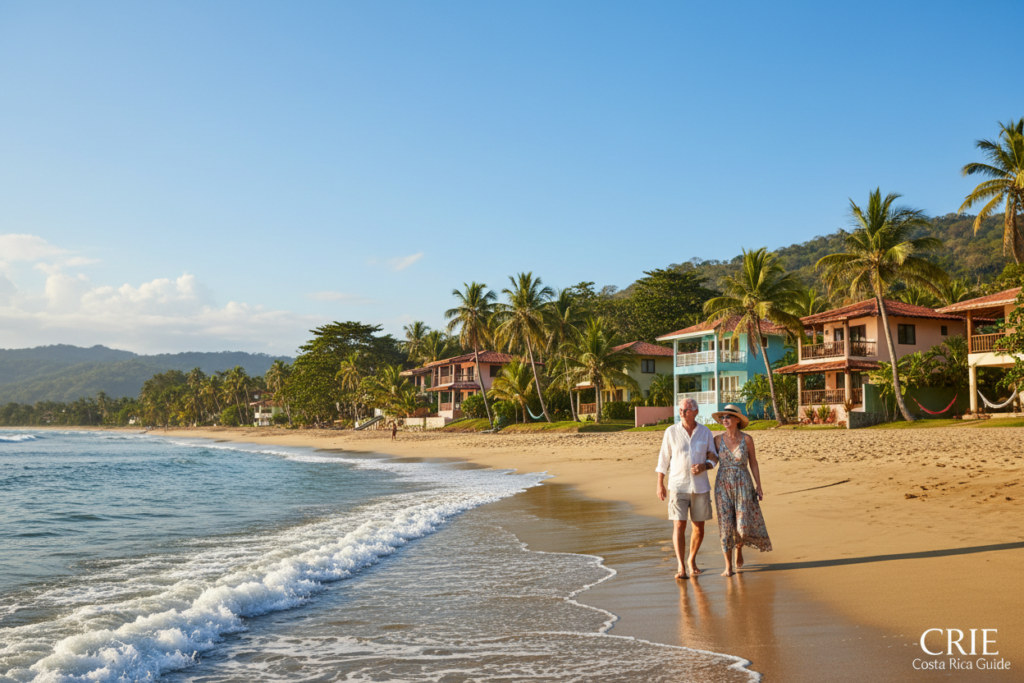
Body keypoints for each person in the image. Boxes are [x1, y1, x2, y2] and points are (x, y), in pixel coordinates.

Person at [655, 397, 719, 580]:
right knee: (679, 525)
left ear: (696, 412)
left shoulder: (705, 432)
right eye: (680, 410)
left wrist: (704, 466)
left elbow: (714, 456)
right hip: (677, 486)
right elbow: (663, 460)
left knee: (699, 527)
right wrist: (660, 483)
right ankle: (681, 565)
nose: (681, 413)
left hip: (700, 487)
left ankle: (691, 560)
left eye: (685, 410)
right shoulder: (670, 432)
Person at [710, 404, 772, 577]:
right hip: (723, 485)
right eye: (723, 417)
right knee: (725, 525)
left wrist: (759, 485)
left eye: (728, 417)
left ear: (737, 420)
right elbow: (712, 459)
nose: (725, 420)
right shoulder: (717, 440)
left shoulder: (747, 439)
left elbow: (753, 462)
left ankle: (739, 549)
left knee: (742, 526)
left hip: (744, 484)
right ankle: (728, 566)